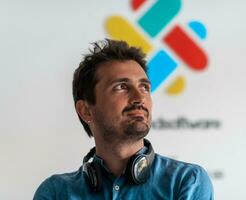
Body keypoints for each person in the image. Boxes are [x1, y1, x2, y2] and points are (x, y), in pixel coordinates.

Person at [33, 39, 214, 200]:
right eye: (121, 87)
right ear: (86, 110)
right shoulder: (55, 192)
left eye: (144, 87)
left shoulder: (187, 181)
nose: (139, 98)